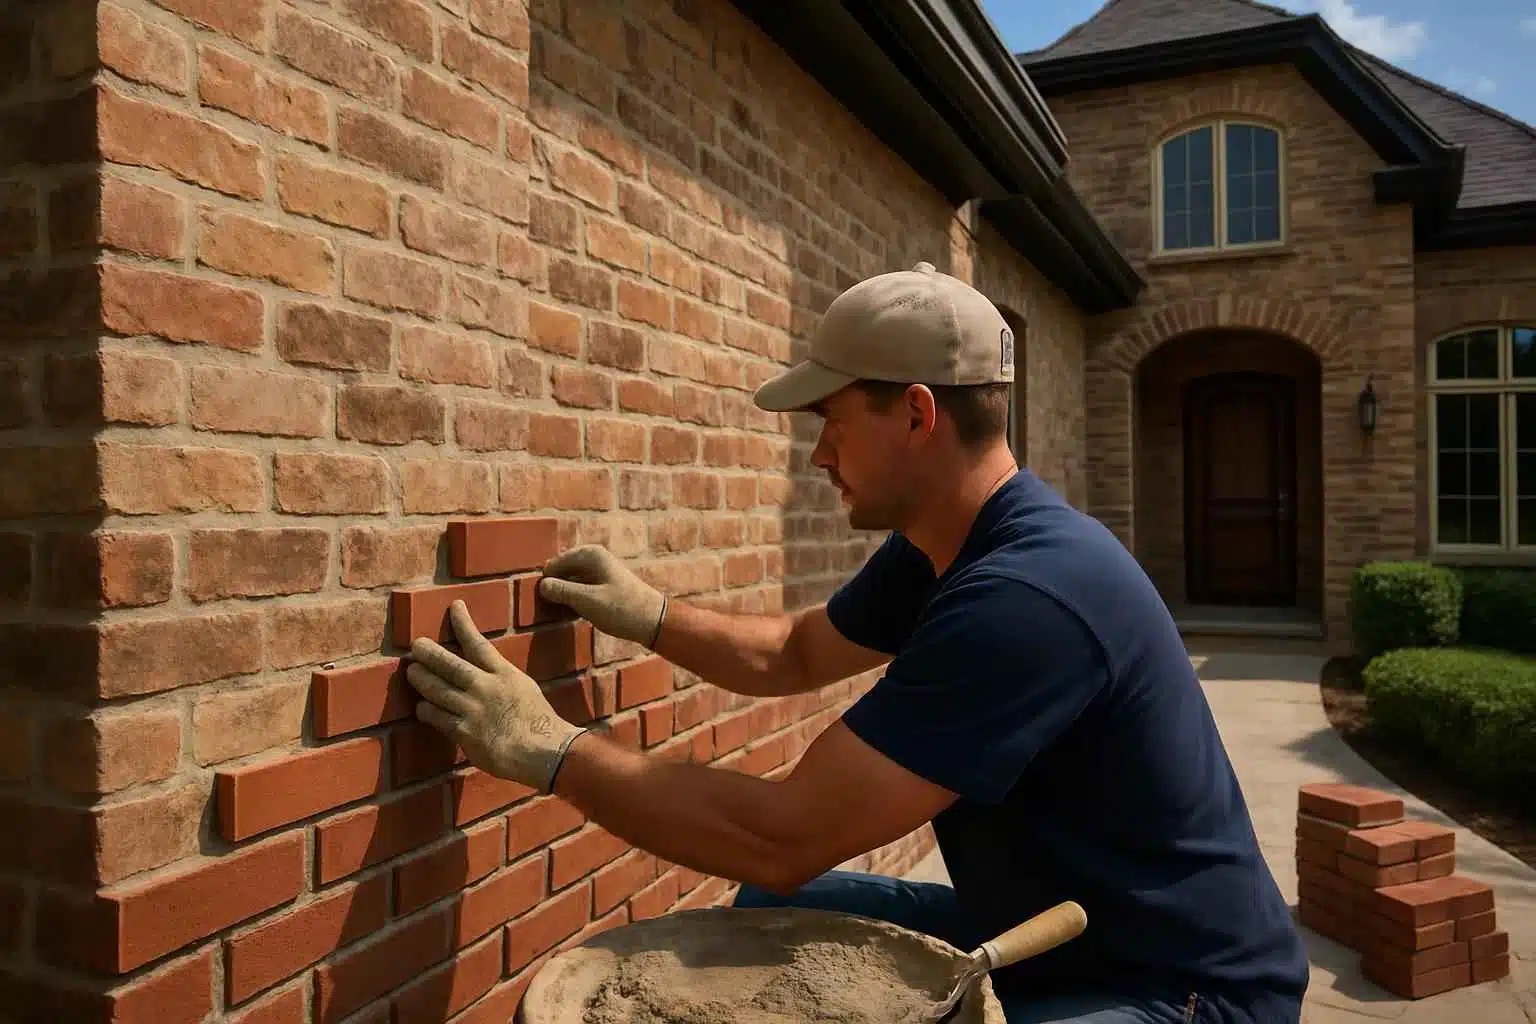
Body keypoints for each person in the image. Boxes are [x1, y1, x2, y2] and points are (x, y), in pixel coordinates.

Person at [405, 262, 1310, 1023]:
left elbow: (782, 834)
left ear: (917, 415)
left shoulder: (1027, 598)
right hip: (1055, 931)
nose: (819, 456)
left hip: (1175, 990)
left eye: (832, 422)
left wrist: (550, 750)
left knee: (775, 876)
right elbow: (793, 655)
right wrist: (649, 613)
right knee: (774, 912)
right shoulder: (946, 545)